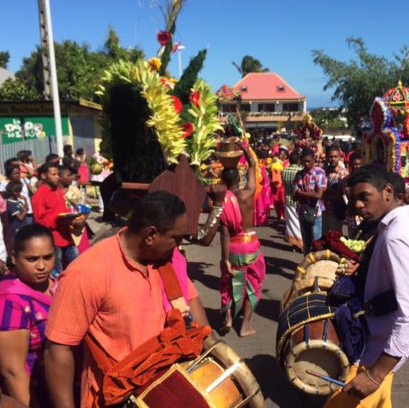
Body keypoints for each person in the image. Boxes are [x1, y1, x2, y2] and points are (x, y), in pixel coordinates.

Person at [44, 191, 209, 407]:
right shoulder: (86, 273)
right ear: (151, 235)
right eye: (175, 239)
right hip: (118, 399)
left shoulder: (166, 259)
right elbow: (58, 349)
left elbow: (193, 305)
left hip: (169, 390)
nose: (178, 246)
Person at [325, 166, 409, 408]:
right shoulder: (406, 224)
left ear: (388, 192)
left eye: (364, 197)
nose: (358, 206)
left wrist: (376, 374)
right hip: (380, 342)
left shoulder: (397, 236)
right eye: (354, 200)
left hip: (377, 351)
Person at [0, 224, 56, 407]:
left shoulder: (56, 283)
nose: (41, 266)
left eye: (48, 257)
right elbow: (13, 372)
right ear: (14, 257)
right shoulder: (7, 304)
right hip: (37, 396)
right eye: (32, 259)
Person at [219, 144, 266, 337]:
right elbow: (253, 165)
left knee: (229, 283)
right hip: (250, 246)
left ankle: (228, 318)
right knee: (252, 286)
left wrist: (226, 258)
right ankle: (245, 326)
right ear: (239, 178)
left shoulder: (222, 199)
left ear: (222, 180)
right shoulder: (247, 193)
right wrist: (244, 147)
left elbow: (224, 233)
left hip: (233, 247)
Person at [32, 163, 81, 274]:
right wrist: (58, 220)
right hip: (53, 240)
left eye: (58, 174)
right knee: (57, 271)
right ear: (44, 176)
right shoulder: (39, 196)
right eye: (53, 174)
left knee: (78, 265)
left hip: (66, 236)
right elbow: (40, 222)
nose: (57, 177)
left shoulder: (58, 191)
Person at [293, 148, 327, 255]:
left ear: (313, 160)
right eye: (303, 161)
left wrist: (301, 193)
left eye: (308, 161)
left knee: (316, 242)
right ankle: (306, 268)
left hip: (316, 213)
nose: (306, 164)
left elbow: (318, 195)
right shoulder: (299, 174)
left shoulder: (319, 172)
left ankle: (317, 268)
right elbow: (294, 196)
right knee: (306, 243)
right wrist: (309, 194)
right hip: (302, 211)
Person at [58, 165, 91, 254]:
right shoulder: (54, 193)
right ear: (59, 177)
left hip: (78, 230)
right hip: (62, 230)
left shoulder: (74, 190)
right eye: (68, 175)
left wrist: (82, 221)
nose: (71, 177)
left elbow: (86, 207)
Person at [322, 145, 349, 234]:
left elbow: (338, 194)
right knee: (322, 239)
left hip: (335, 212)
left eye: (335, 156)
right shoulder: (324, 171)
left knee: (335, 238)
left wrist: (322, 193)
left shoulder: (343, 173)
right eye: (330, 156)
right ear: (326, 157)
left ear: (340, 157)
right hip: (323, 211)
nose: (333, 159)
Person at [282, 151, 303, 252]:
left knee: (291, 223)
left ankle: (294, 245)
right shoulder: (300, 171)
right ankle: (302, 243)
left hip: (288, 199)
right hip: (299, 200)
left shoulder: (284, 171)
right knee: (300, 222)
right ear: (298, 161)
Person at [5, 181, 30, 249]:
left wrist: (25, 200)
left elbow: (26, 208)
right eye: (19, 191)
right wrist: (24, 211)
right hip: (16, 230)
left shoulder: (17, 201)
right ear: (14, 192)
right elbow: (20, 217)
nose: (20, 193)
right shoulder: (11, 203)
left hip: (23, 228)